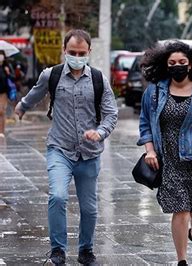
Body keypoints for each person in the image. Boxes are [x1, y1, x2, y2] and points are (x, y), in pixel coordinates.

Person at [14, 29, 118, 265]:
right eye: (72, 52)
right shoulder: (52, 75)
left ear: (89, 52)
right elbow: (35, 94)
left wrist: (100, 132)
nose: (77, 56)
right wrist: (22, 107)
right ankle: (57, 250)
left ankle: (86, 250)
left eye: (82, 53)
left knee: (90, 208)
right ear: (64, 50)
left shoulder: (99, 79)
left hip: (89, 154)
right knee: (58, 196)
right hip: (59, 148)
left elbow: (111, 114)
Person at [137, 40, 192, 266]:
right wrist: (150, 151)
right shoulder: (155, 92)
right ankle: (182, 260)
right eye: (172, 63)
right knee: (181, 211)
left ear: (190, 65)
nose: (177, 66)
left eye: (182, 62)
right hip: (169, 162)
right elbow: (145, 123)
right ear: (165, 65)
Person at [0, 50, 13, 138]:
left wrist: (8, 73)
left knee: (2, 112)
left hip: (3, 92)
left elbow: (12, 78)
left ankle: (2, 131)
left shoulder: (6, 67)